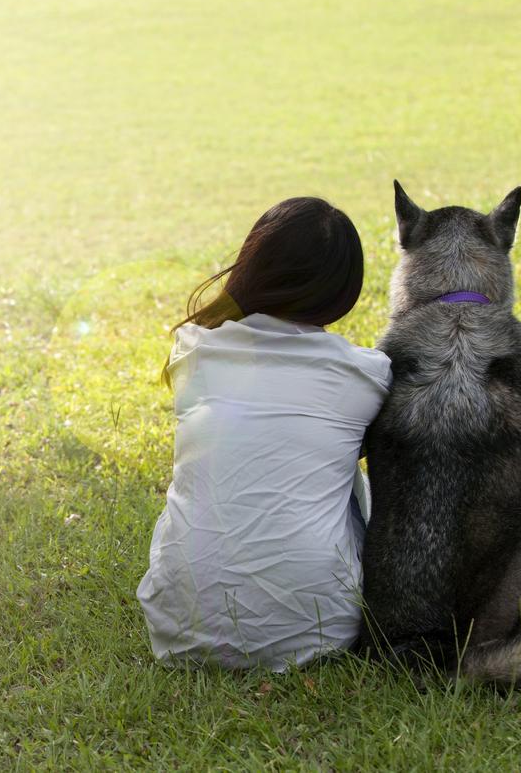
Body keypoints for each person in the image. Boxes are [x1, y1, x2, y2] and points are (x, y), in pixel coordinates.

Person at [137, 197, 392, 671]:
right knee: (356, 486)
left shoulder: (194, 352)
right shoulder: (365, 375)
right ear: (342, 290)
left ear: (253, 266)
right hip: (319, 630)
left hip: (179, 629)